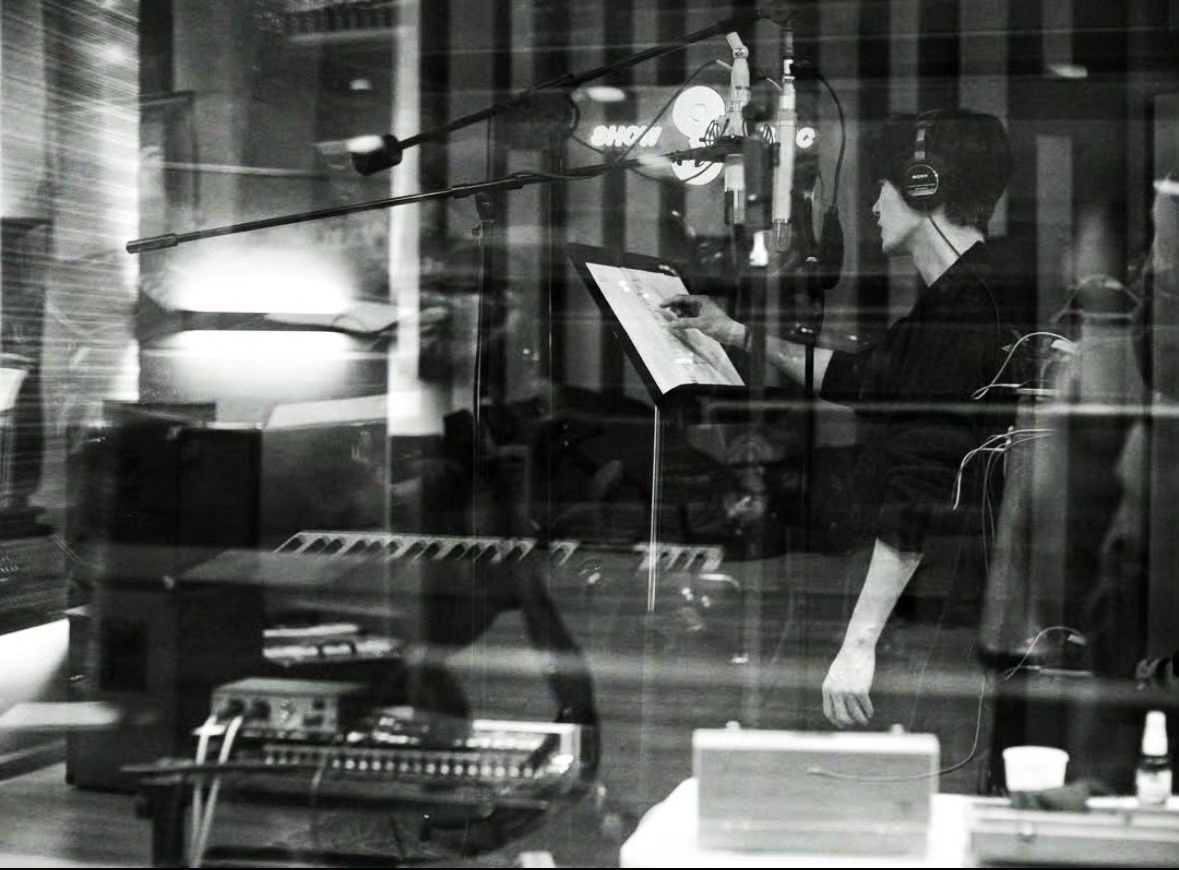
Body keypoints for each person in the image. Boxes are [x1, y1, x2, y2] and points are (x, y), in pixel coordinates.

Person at [661, 108, 1032, 792]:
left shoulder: (964, 309)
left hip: (928, 616)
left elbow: (921, 482)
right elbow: (868, 379)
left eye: (884, 187)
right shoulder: (962, 296)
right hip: (927, 606)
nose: (872, 205)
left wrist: (859, 644)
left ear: (923, 186)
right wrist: (736, 334)